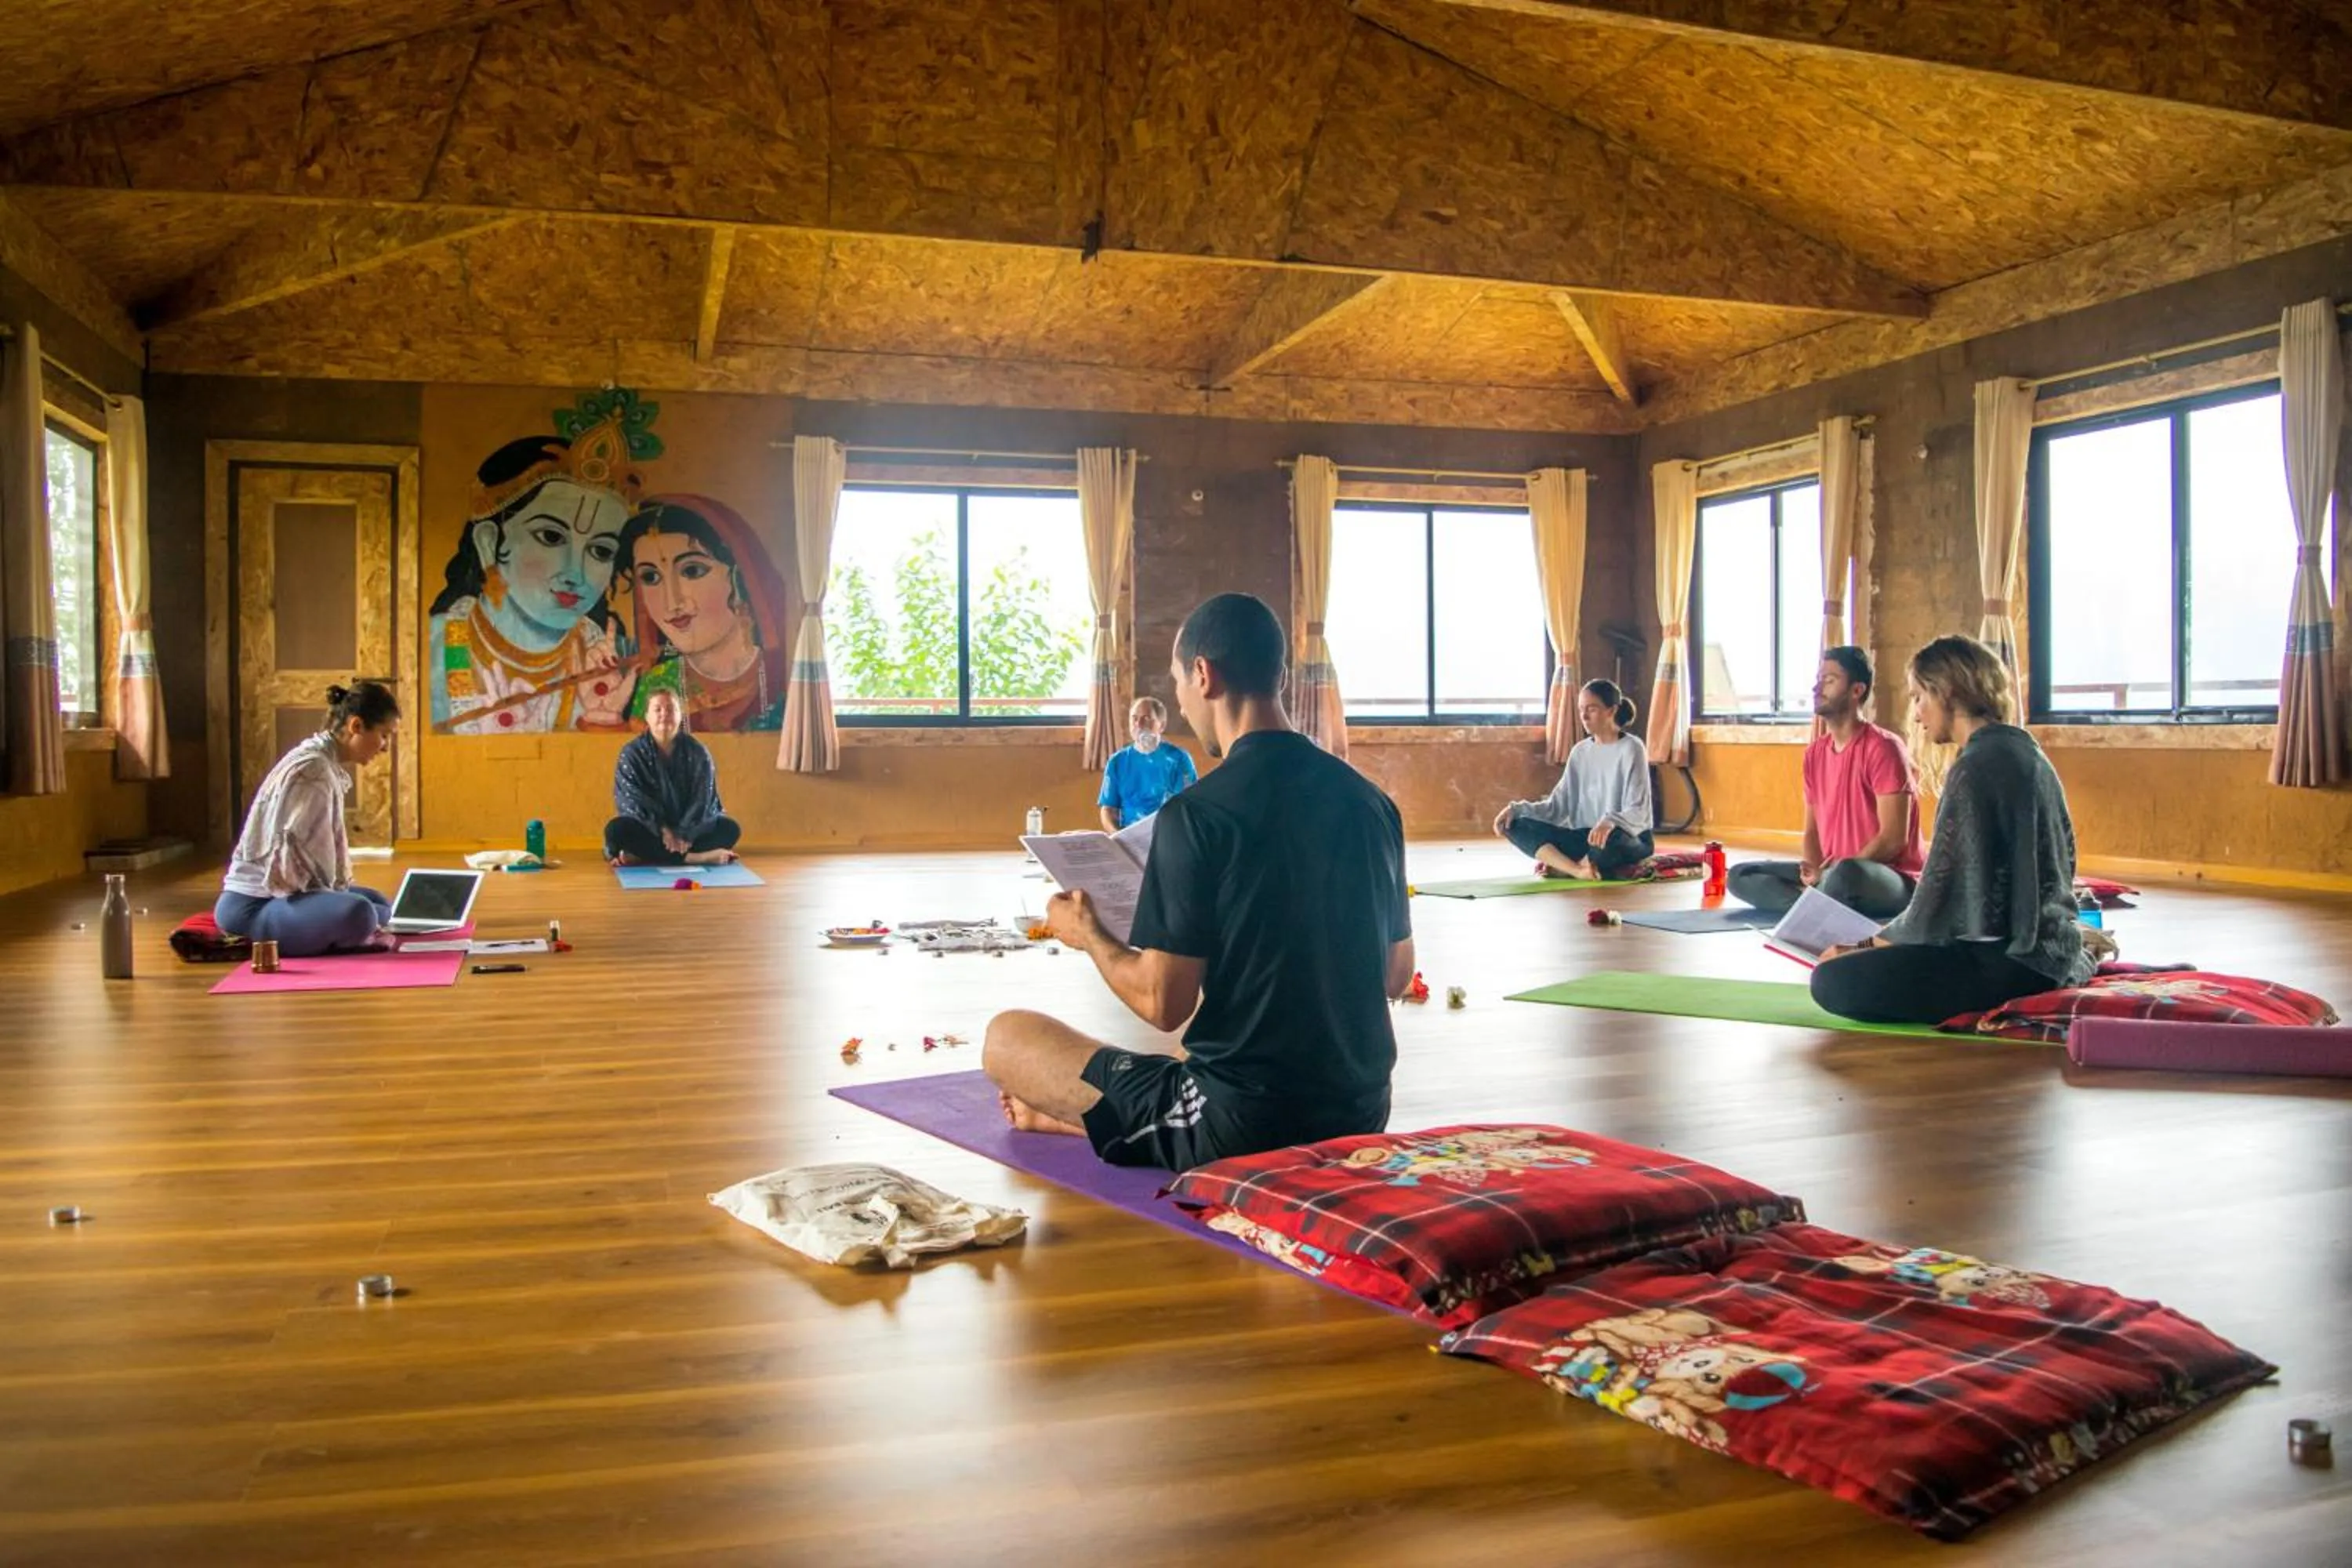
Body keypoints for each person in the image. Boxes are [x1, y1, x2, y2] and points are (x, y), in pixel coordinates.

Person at [983, 593, 1416, 1170]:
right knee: (1169, 1068)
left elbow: (1164, 1004)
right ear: (1280, 676)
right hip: (1361, 1112)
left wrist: (1088, 933)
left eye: (1178, 683)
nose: (1182, 705)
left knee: (1007, 1037)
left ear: (1204, 675)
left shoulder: (1196, 815)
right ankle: (1098, 1121)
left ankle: (1095, 1121)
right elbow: (1396, 975)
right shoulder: (1372, 803)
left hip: (1243, 1123)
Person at [1810, 634, 2096, 1026]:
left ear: (1945, 691)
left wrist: (1862, 945)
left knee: (1832, 980)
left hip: (2011, 964)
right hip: (2052, 949)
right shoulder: (2026, 751)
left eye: (1918, 697)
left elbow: (1935, 906)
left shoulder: (1975, 767)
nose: (1916, 715)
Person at [429, 412, 642, 734]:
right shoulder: (437, 645)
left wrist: (604, 723)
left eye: (601, 551)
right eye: (551, 537)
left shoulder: (612, 659)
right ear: (489, 542)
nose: (576, 574)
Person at [1726, 646, 1923, 920]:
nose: (1817, 688)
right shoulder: (1815, 753)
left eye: (1829, 681)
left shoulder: (1884, 748)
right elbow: (1811, 831)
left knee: (1847, 875)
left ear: (1856, 691)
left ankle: (1816, 904)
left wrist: (1830, 875)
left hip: (1883, 876)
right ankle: (1820, 905)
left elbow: (1892, 839)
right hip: (1830, 874)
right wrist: (1813, 872)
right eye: (1818, 680)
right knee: (1741, 875)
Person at [214, 681, 400, 956]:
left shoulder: (321, 759)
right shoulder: (313, 770)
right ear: (356, 726)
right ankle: (351, 932)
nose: (385, 747)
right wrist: (339, 903)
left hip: (277, 901)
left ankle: (351, 928)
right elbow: (291, 870)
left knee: (377, 903)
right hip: (253, 907)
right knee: (360, 912)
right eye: (384, 735)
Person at [611, 496, 789, 732]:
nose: (672, 602)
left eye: (692, 571)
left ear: (740, 577)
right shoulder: (657, 682)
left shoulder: (782, 673)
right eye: (650, 577)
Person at [1491, 679, 1653, 880]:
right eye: (1581, 709)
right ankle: (1578, 870)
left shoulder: (1632, 748)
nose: (1584, 716)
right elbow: (1556, 808)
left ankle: (1568, 865)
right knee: (1514, 825)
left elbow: (1639, 810)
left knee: (1609, 841)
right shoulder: (1579, 752)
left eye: (1591, 709)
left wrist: (1611, 821)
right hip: (1586, 837)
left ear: (1611, 710)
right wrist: (1516, 810)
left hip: (1626, 837)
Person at [604, 688, 741, 866]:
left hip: (690, 828)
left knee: (730, 829)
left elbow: (703, 799)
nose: (664, 714)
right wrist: (663, 830)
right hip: (651, 829)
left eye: (671, 709)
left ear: (680, 715)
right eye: (658, 709)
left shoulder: (697, 752)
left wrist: (685, 833)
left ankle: (645, 855)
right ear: (647, 716)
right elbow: (632, 800)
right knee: (616, 830)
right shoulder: (632, 754)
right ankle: (695, 858)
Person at [1098, 695, 1197, 831]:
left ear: (1162, 725)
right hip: (1129, 836)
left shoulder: (1179, 759)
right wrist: (1117, 836)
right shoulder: (1117, 761)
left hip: (1169, 834)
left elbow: (1188, 806)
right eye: (1134, 718)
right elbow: (1108, 810)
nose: (1139, 724)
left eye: (1146, 719)